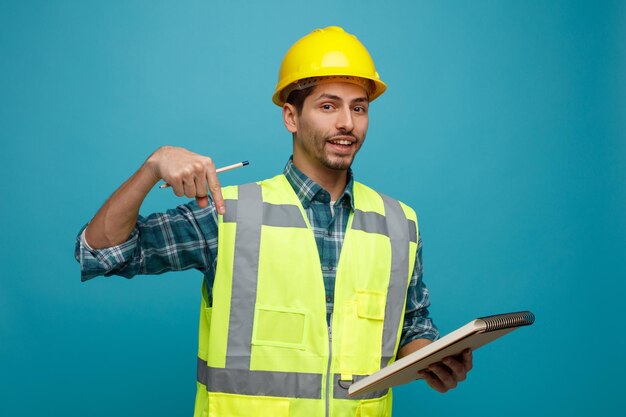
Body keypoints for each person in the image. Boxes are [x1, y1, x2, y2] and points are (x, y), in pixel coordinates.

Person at [75, 26, 472, 417]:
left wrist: (432, 361)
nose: (347, 123)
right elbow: (101, 252)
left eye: (359, 107)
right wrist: (152, 167)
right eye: (328, 106)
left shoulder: (400, 223)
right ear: (291, 117)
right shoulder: (226, 214)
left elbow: (412, 329)